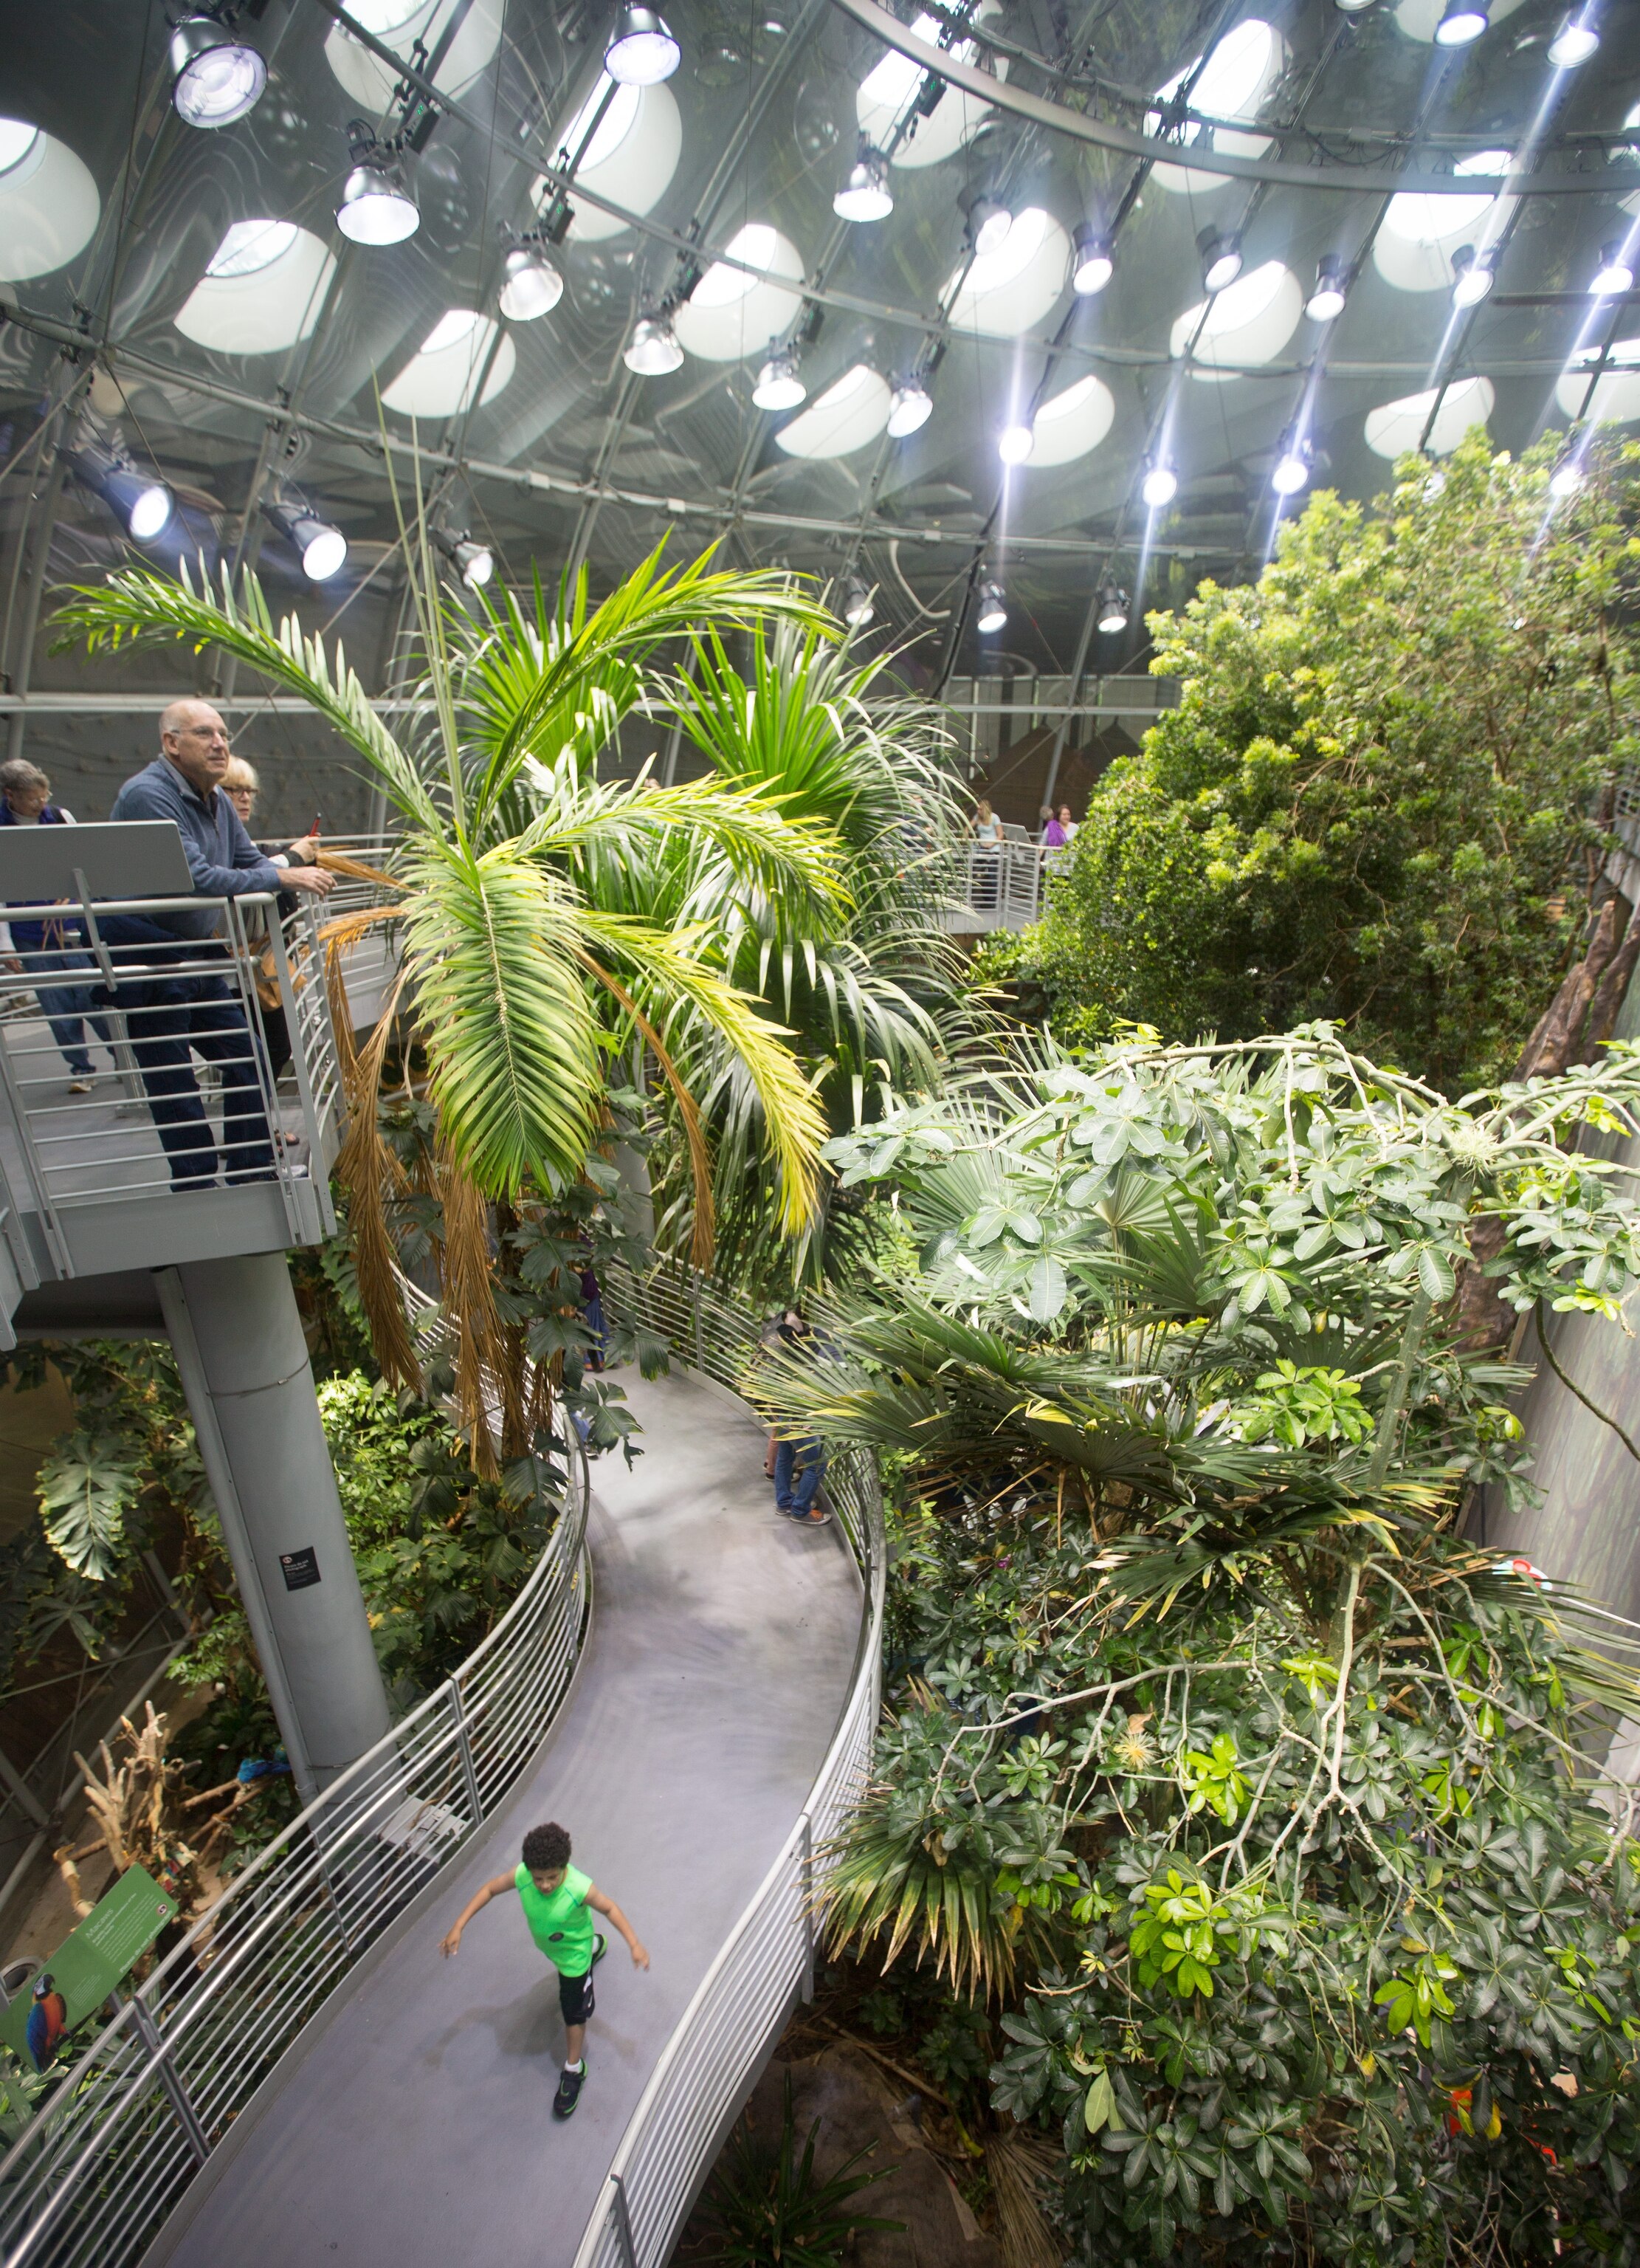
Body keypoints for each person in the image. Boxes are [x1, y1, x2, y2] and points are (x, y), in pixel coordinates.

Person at [107, 700, 333, 1189]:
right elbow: (198, 877)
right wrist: (285, 871)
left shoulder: (216, 800)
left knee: (245, 1052)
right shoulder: (149, 795)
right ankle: (196, 1182)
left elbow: (249, 861)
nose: (220, 744)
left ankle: (253, 1168)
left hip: (196, 951)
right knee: (171, 1072)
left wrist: (278, 869)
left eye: (225, 734)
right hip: (149, 956)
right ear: (171, 743)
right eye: (205, 734)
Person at [439, 1820, 649, 2122]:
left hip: (573, 1961)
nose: (545, 1885)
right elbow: (489, 1889)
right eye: (539, 1878)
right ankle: (593, 1945)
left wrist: (634, 1944)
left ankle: (574, 2070)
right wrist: (459, 1926)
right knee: (576, 1946)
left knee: (573, 2014)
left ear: (565, 1866)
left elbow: (610, 1909)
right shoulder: (523, 1874)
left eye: (552, 1877)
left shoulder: (580, 1887)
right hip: (555, 1946)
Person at [0, 758, 116, 1093]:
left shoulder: (61, 817)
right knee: (56, 1003)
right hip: (27, 932)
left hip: (71, 926)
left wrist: (74, 896)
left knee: (96, 995)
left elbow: (82, 861)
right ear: (10, 795)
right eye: (34, 798)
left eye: (45, 794)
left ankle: (125, 1059)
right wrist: (5, 943)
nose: (42, 803)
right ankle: (81, 1068)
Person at [221, 755, 323, 1085]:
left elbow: (251, 868)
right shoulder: (216, 842)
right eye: (233, 789)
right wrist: (292, 860)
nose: (244, 798)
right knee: (258, 1052)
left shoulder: (233, 841)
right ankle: (259, 1127)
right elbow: (235, 877)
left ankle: (263, 1125)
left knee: (271, 1048)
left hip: (254, 963)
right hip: (232, 966)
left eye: (249, 791)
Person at [762, 1308, 830, 1526]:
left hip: (781, 1410)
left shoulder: (774, 1343)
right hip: (798, 1415)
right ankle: (800, 1511)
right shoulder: (799, 1349)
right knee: (817, 1464)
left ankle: (784, 1503)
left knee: (786, 1456)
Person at [970, 796, 1004, 915]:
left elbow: (1000, 835)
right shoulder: (977, 818)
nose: (978, 812)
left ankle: (991, 902)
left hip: (993, 850)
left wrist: (991, 844)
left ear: (985, 809)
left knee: (992, 876)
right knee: (977, 873)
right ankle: (982, 899)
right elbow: (969, 827)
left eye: (980, 809)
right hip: (981, 850)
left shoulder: (994, 818)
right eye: (977, 809)